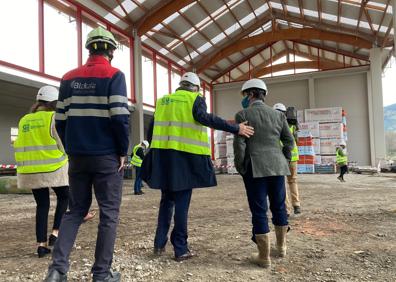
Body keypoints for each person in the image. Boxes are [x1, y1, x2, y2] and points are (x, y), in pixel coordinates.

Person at [44, 26, 129, 282]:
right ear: (111, 50)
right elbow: (120, 118)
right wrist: (122, 151)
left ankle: (57, 270)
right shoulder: (114, 75)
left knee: (75, 212)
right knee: (109, 214)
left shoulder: (68, 78)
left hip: (78, 156)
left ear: (88, 49)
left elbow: (60, 120)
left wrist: (72, 147)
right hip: (106, 156)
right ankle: (101, 274)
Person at [141, 72, 254, 261]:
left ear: (181, 85)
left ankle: (159, 244)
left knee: (166, 202)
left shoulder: (163, 101)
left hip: (163, 159)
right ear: (195, 87)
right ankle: (180, 248)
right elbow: (206, 118)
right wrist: (236, 128)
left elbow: (151, 130)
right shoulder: (195, 99)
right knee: (182, 205)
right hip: (184, 159)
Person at [233, 78, 294, 268]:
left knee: (259, 209)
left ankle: (263, 256)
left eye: (245, 95)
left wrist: (241, 166)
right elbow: (289, 141)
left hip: (255, 166)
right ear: (263, 94)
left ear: (250, 94)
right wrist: (283, 158)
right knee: (279, 206)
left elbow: (240, 144)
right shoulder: (278, 116)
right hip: (277, 167)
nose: (244, 99)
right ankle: (281, 247)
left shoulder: (243, 114)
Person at [14, 86, 69, 258]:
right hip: (53, 167)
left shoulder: (25, 120)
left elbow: (19, 144)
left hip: (30, 169)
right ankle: (56, 233)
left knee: (42, 205)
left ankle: (41, 245)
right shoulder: (53, 117)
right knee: (65, 197)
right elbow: (62, 142)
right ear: (55, 102)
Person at [273, 103, 301, 215]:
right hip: (293, 157)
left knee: (281, 184)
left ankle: (286, 209)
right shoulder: (292, 125)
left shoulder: (274, 124)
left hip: (280, 158)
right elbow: (297, 141)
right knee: (293, 181)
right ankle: (297, 205)